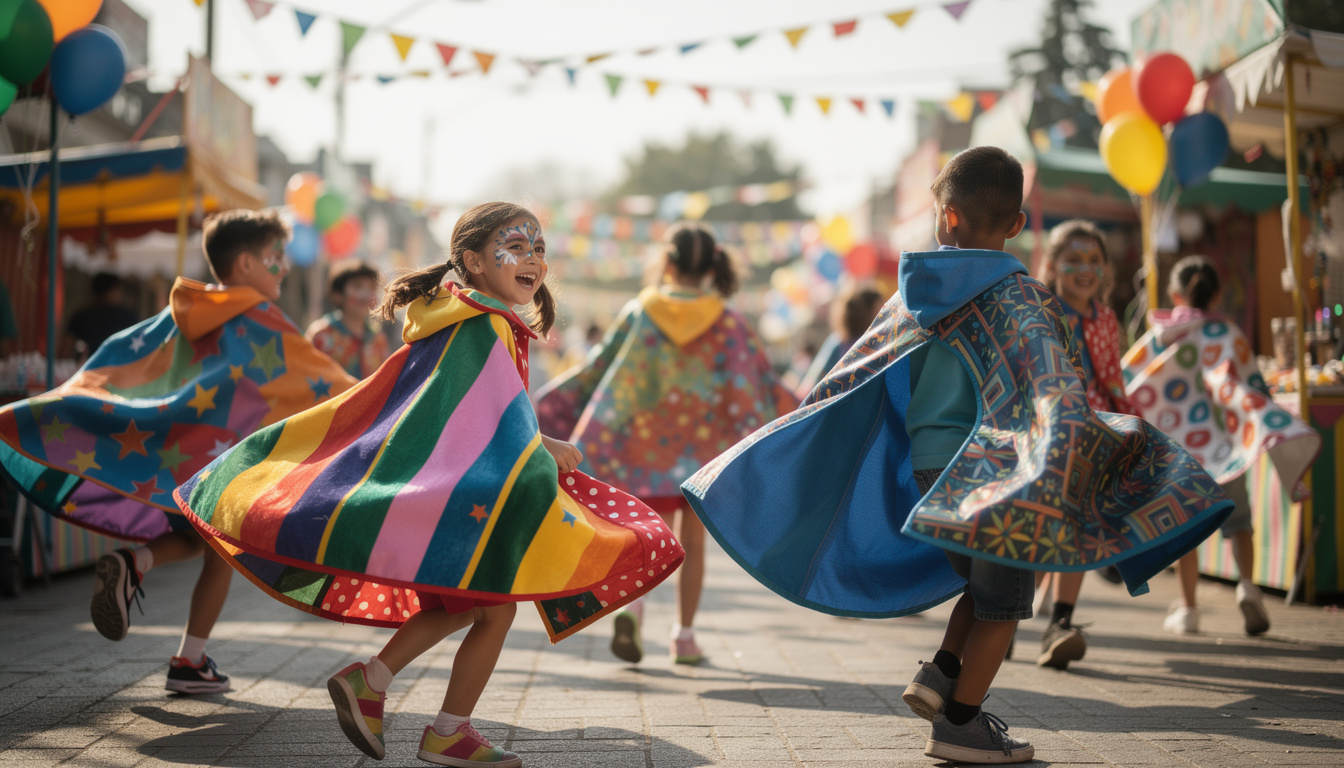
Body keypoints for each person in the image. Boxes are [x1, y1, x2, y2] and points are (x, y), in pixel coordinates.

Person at [681, 146, 1233, 765]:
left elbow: (852, 374)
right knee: (1004, 605)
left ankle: (941, 672)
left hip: (930, 470)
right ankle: (962, 726)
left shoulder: (912, 296)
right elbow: (1055, 393)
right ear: (1017, 224)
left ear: (946, 217)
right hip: (999, 472)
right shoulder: (1027, 301)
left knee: (979, 583)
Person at [174, 202, 685, 766]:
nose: (532, 260)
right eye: (515, 247)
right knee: (494, 613)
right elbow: (487, 417)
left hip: (458, 495)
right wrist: (543, 445)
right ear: (474, 260)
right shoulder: (486, 323)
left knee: (466, 608)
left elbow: (474, 410)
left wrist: (535, 442)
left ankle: (372, 681)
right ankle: (444, 730)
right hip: (466, 497)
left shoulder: (457, 314)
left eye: (538, 249)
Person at [0, 209, 357, 694]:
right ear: (247, 263)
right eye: (276, 256)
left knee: (198, 542)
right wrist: (378, 397)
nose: (285, 266)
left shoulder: (182, 312)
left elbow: (122, 356)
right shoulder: (261, 319)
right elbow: (323, 377)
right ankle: (188, 657)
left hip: (176, 459)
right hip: (221, 464)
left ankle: (143, 574)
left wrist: (76, 397)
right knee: (218, 550)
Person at [535, 222, 797, 666]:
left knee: (645, 534)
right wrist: (800, 411)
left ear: (668, 264)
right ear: (712, 268)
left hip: (640, 453)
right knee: (692, 542)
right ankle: (685, 637)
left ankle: (633, 612)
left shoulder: (641, 309)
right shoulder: (728, 321)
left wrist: (550, 405)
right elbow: (758, 383)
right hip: (706, 455)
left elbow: (600, 368)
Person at [1123, 255, 1320, 636]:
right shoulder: (1228, 333)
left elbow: (1129, 380)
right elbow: (1253, 384)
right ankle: (1247, 587)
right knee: (1240, 522)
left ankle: (1189, 609)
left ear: (1174, 295)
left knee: (1185, 529)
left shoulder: (1161, 336)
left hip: (1179, 455)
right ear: (1217, 296)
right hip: (1226, 452)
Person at [1030, 220, 1137, 669]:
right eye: (1073, 259)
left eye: (1094, 260)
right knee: (1040, 533)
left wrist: (1129, 427)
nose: (1085, 269)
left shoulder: (1106, 319)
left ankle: (1060, 623)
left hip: (1096, 434)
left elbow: (1113, 378)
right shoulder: (1041, 312)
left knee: (1076, 530)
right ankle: (1007, 617)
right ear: (1053, 266)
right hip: (1047, 434)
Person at [305, 259, 393, 378]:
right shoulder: (322, 334)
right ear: (337, 294)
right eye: (357, 286)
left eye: (372, 288)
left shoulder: (378, 339)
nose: (366, 295)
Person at [796, 285, 884, 397]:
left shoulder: (839, 340)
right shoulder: (841, 343)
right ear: (867, 312)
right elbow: (812, 384)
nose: (886, 313)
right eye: (881, 308)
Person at [61, 272, 140, 361]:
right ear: (114, 289)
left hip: (90, 365)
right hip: (120, 366)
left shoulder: (81, 316)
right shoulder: (128, 316)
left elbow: (65, 350)